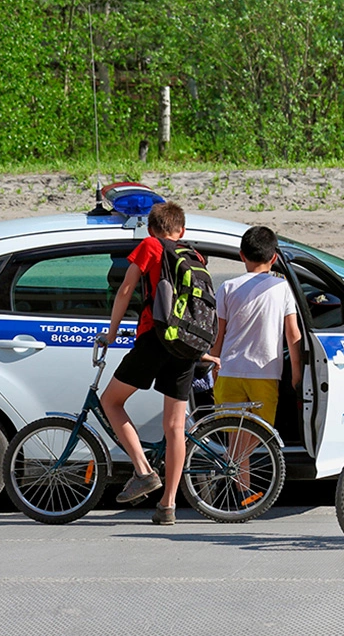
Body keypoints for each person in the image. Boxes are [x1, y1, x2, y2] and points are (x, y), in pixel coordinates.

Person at [98, 201, 195, 526]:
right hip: (185, 344)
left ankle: (142, 470)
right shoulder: (193, 255)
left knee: (110, 401)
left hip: (155, 338)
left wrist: (111, 333)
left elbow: (125, 289)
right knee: (175, 427)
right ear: (181, 230)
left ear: (151, 229)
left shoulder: (150, 246)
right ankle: (167, 506)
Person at [206, 225, 303, 426]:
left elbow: (219, 334)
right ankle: (241, 459)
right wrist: (296, 374)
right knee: (260, 432)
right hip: (264, 373)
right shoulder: (282, 287)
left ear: (242, 255)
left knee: (233, 437)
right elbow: (293, 334)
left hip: (229, 370)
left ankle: (237, 460)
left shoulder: (227, 287)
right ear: (274, 258)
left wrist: (214, 366)